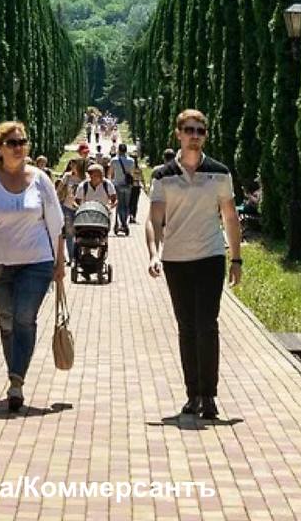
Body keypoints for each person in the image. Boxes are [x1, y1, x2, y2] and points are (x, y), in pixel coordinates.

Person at [0, 120, 66, 412]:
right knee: (6, 320)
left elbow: (56, 223)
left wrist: (60, 263)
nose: (20, 147)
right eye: (13, 143)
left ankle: (16, 380)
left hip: (37, 262)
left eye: (23, 142)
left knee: (24, 317)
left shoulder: (40, 179)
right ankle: (16, 375)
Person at [146, 109, 241, 420]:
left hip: (211, 256)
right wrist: (153, 253)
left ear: (206, 135)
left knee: (207, 324)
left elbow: (230, 217)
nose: (195, 135)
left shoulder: (219, 172)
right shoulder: (162, 175)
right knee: (186, 327)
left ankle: (209, 395)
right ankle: (192, 394)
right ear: (178, 134)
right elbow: (154, 219)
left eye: (200, 130)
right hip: (175, 259)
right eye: (189, 130)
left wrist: (236, 258)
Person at [56, 156, 85, 262]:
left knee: (81, 233)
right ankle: (72, 258)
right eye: (71, 164)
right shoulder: (67, 176)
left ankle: (80, 255)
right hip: (68, 207)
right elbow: (59, 190)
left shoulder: (85, 178)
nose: (72, 166)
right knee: (69, 234)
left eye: (74, 164)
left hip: (81, 209)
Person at [110, 143, 138, 235]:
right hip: (128, 185)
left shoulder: (114, 160)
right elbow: (132, 173)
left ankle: (120, 222)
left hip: (118, 185)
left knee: (119, 205)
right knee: (126, 205)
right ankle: (124, 222)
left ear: (118, 150)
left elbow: (111, 173)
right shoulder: (131, 161)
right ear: (126, 151)